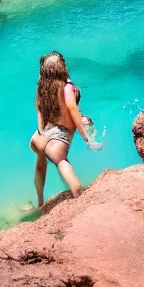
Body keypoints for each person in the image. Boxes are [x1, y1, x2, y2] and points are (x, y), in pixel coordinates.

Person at [29, 52, 88, 206]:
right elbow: (72, 108)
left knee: (41, 163)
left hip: (38, 138)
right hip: (57, 143)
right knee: (63, 165)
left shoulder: (41, 88)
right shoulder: (67, 88)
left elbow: (39, 114)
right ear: (62, 67)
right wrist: (84, 134)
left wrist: (43, 136)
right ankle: (81, 202)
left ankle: (40, 202)